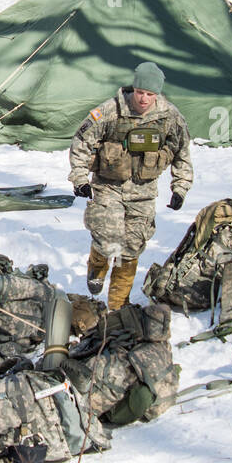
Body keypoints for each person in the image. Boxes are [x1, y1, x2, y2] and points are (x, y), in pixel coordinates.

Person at [68, 61, 194, 310]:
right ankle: (97, 267)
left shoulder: (169, 117)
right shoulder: (109, 112)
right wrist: (80, 178)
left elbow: (182, 152)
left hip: (144, 191)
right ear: (133, 89)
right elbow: (81, 141)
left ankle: (117, 305)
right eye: (140, 93)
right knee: (108, 236)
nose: (144, 99)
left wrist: (180, 187)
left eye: (150, 94)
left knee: (132, 247)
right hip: (108, 186)